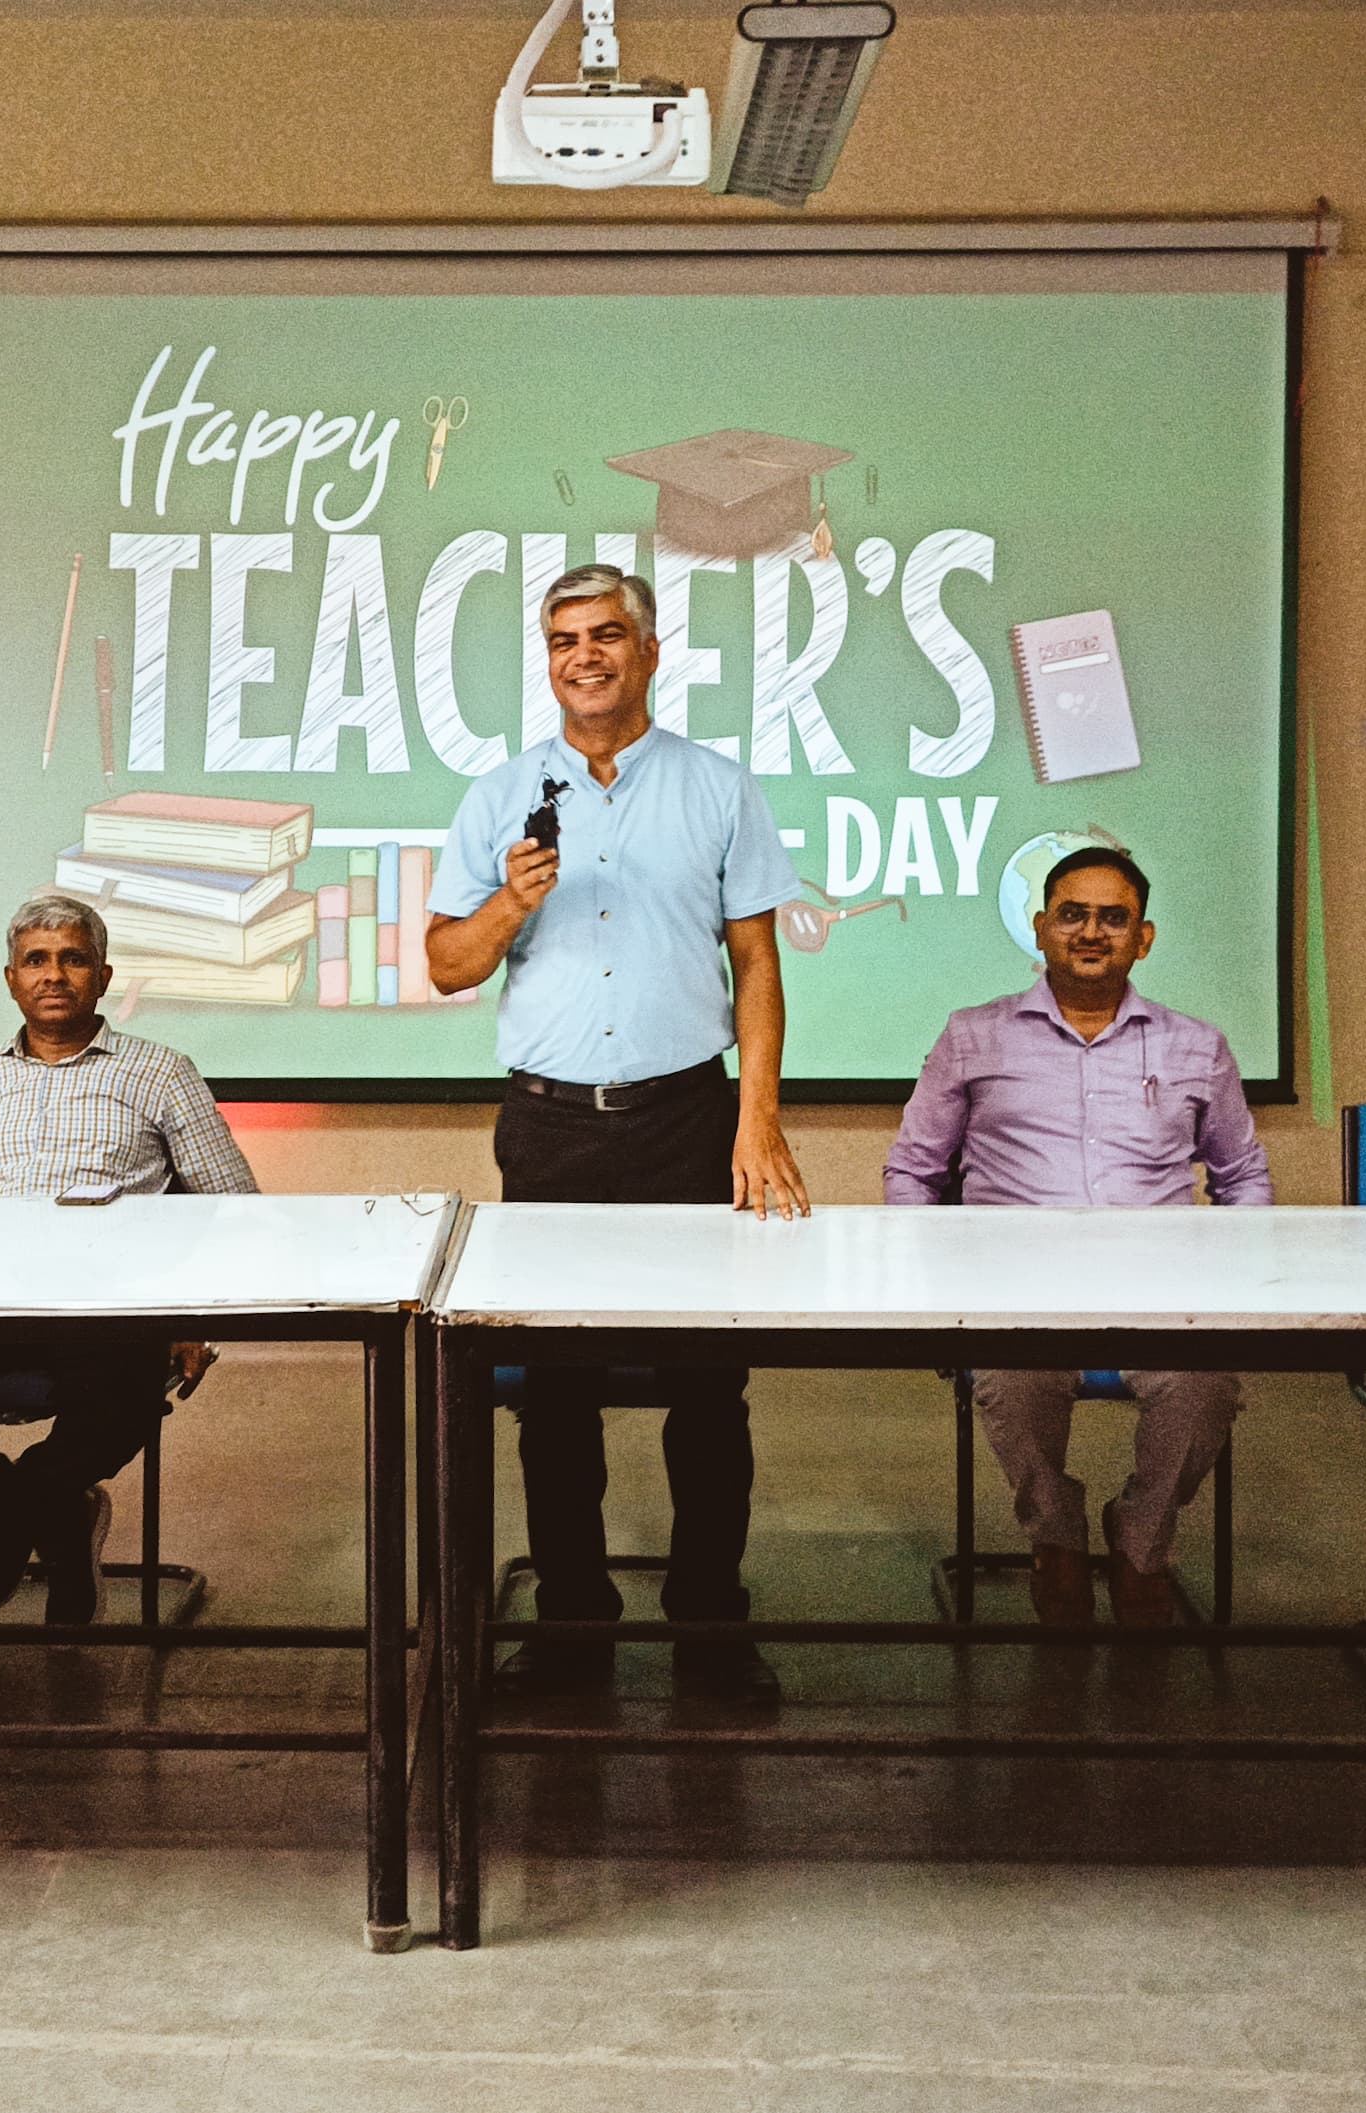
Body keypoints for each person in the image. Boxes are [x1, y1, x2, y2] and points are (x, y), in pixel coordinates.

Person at [426, 562, 807, 1703]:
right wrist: (510, 902)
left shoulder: (717, 787)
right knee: (555, 1393)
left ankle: (709, 1621)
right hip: (551, 1127)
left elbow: (756, 965)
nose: (582, 656)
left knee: (708, 1387)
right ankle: (572, 1623)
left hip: (686, 1119)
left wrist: (758, 1119)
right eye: (562, 640)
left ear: (647, 650)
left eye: (603, 636)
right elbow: (445, 965)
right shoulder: (500, 795)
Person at [882, 846, 1273, 1627]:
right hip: (1015, 1290)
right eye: (1072, 914)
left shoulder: (1196, 1047)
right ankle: (1055, 1537)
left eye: (1112, 917)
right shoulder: (971, 1037)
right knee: (1012, 1377)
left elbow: (1243, 1178)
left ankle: (1141, 1540)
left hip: (1160, 1289)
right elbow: (912, 1172)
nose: (1091, 932)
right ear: (1039, 928)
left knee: (1203, 1383)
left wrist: (1238, 1287)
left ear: (1143, 937)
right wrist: (931, 1290)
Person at [0, 893, 253, 1623]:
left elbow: (233, 1205)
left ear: (103, 976)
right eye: (36, 960)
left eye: (73, 959)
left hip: (113, 1301)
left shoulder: (161, 1073)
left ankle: (16, 1519)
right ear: (12, 980)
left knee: (121, 1403)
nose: (54, 974)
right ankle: (56, 1520)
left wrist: (194, 1316)